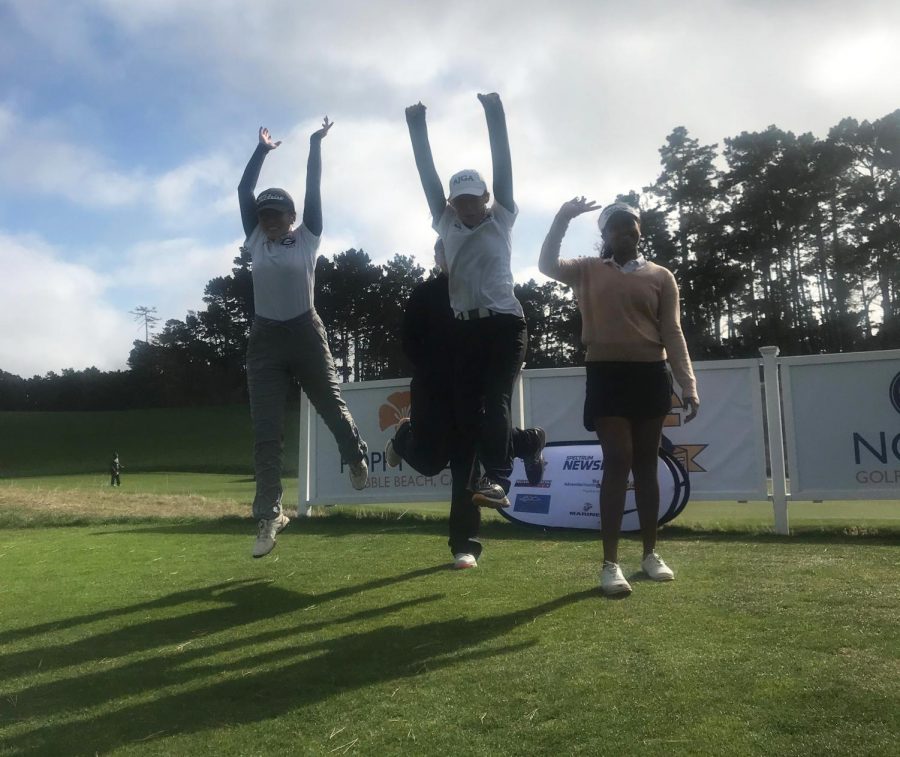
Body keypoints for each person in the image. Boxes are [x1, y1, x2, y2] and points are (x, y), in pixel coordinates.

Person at [539, 198, 700, 596]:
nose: (626, 233)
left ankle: (650, 554)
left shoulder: (661, 276)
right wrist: (562, 217)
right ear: (605, 235)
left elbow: (672, 331)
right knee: (618, 459)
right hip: (606, 374)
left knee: (646, 463)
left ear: (640, 231)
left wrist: (688, 383)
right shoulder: (587, 270)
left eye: (632, 227)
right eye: (617, 228)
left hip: (650, 374)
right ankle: (610, 564)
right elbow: (546, 265)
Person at [238, 121, 369, 559]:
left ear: (291, 218)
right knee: (266, 432)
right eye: (264, 216)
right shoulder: (255, 237)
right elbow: (243, 189)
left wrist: (315, 147)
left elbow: (315, 188)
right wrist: (261, 152)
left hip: (305, 333)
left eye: (276, 215)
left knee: (332, 406)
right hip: (265, 340)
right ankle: (269, 514)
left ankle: (354, 453)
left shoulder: (307, 236)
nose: (269, 222)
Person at [385, 241, 546, 569]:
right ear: (438, 258)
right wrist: (439, 371)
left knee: (466, 462)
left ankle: (465, 545)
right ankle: (403, 437)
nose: (455, 258)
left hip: (471, 390)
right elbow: (410, 344)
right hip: (433, 389)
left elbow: (503, 336)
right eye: (447, 252)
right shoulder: (424, 294)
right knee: (430, 461)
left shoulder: (485, 292)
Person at [405, 92, 527, 510]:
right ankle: (499, 464)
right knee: (469, 411)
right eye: (460, 201)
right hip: (466, 329)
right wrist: (416, 128)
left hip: (506, 325)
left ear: (485, 198)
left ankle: (497, 478)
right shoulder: (447, 223)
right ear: (453, 204)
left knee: (495, 402)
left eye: (474, 198)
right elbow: (427, 175)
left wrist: (495, 114)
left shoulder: (502, 218)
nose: (468, 206)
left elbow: (504, 164)